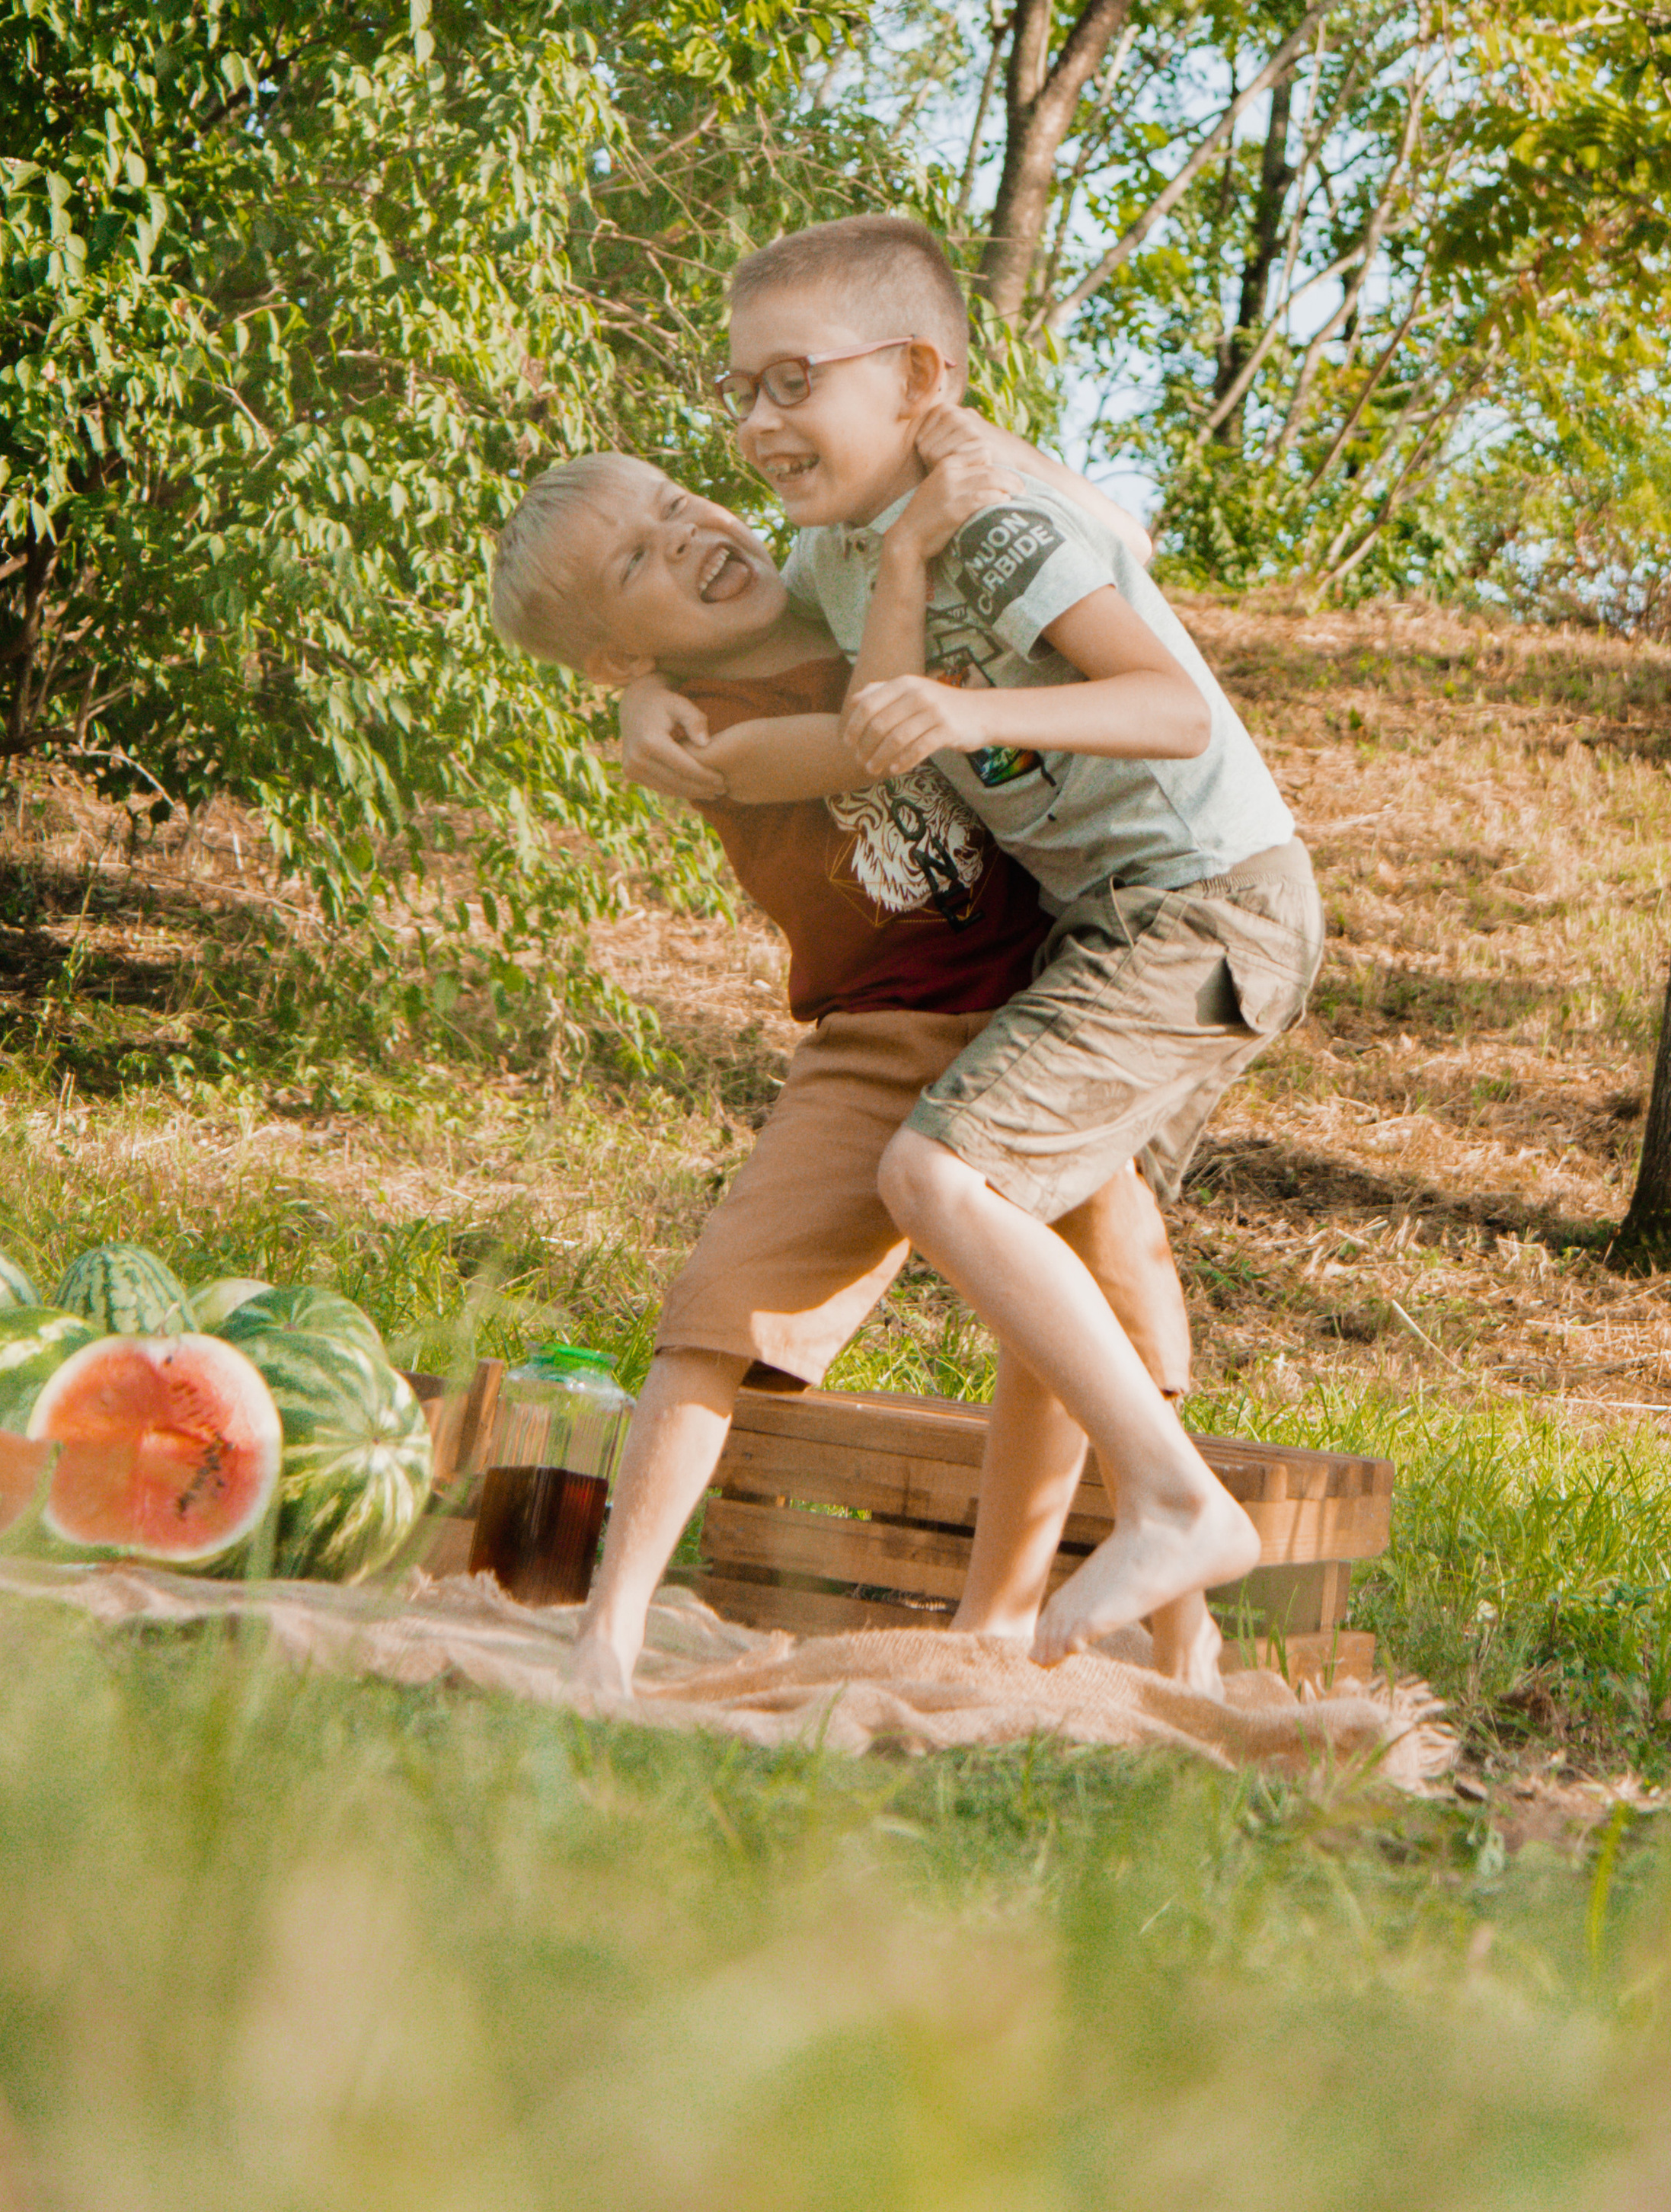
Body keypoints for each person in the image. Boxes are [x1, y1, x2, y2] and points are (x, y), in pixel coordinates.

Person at [620, 212, 1324, 1670]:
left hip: (1203, 903)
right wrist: (637, 683)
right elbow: (835, 702)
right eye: (738, 387)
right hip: (1112, 927)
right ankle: (1039, 1635)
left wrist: (980, 708)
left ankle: (1178, 1502)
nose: (756, 421)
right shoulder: (842, 552)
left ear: (919, 375)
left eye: (793, 380)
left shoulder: (996, 527)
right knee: (1054, 1256)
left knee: (937, 1172)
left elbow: (1172, 708)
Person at [487, 448, 1215, 1699]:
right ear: (621, 656)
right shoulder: (697, 731)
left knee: (1098, 1305)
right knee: (720, 1300)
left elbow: (1095, 534)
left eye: (676, 505)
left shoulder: (839, 571)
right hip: (876, 1030)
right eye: (638, 561)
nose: (689, 538)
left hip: (1046, 1002)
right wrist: (645, 696)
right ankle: (610, 1627)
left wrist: (938, 506)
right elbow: (871, 741)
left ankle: (1148, 1632)